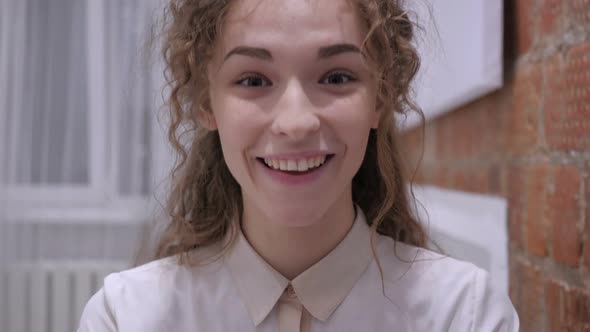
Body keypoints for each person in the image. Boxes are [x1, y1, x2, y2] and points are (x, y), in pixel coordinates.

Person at [78, 0, 519, 331]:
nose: (296, 122)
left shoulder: (464, 314)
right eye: (253, 80)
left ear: (380, 99)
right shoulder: (126, 316)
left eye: (336, 77)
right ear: (206, 104)